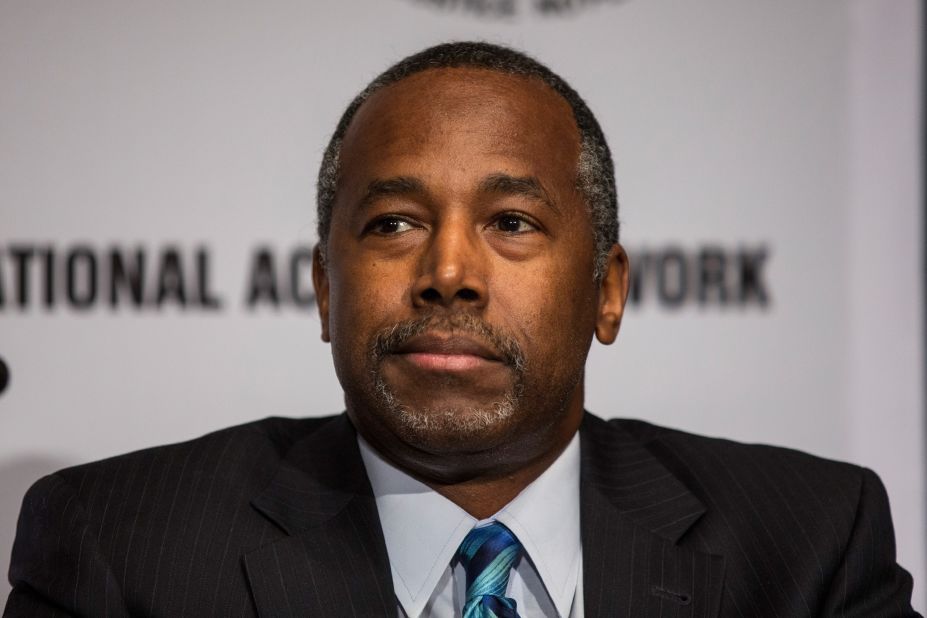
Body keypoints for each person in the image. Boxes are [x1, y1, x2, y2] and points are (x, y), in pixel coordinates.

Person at [3, 41, 918, 617]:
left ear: (606, 289)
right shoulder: (117, 551)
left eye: (512, 223)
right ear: (325, 288)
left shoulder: (806, 550)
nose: (446, 274)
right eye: (392, 224)